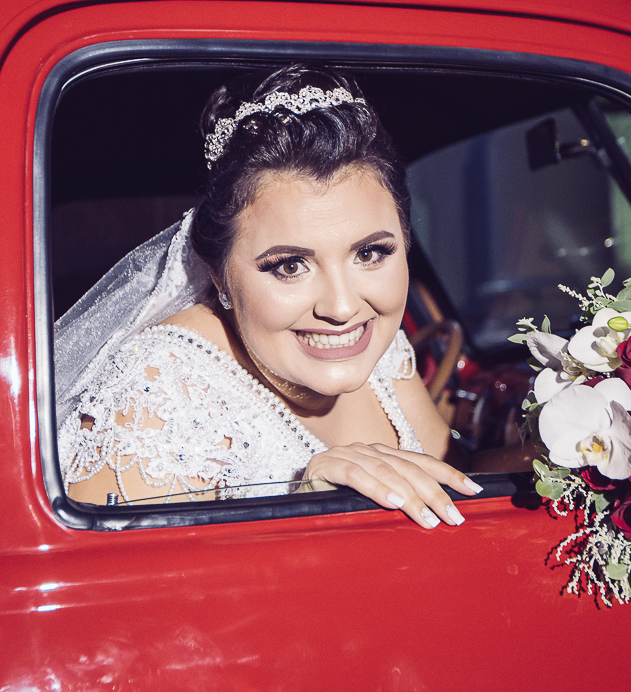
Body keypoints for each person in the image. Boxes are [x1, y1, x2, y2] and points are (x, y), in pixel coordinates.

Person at [56, 64, 483, 528]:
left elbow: (462, 486)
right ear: (219, 276)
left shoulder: (374, 344)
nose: (341, 308)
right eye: (289, 266)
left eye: (369, 253)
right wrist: (303, 511)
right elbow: (129, 596)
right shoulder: (158, 398)